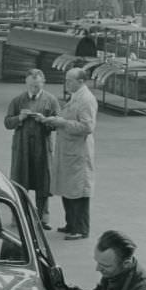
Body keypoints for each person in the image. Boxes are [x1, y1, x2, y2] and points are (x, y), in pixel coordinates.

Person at [44, 67, 98, 240]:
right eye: (66, 80)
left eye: (70, 81)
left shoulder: (86, 100)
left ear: (81, 82)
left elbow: (87, 127)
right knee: (68, 188)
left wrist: (62, 122)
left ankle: (80, 229)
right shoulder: (75, 96)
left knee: (78, 191)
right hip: (68, 148)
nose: (66, 83)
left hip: (78, 151)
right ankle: (71, 224)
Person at [3, 69, 60, 228]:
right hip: (22, 148)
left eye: (37, 85)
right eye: (31, 85)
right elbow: (7, 123)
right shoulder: (18, 100)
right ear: (26, 84)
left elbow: (58, 123)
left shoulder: (51, 100)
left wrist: (46, 120)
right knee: (20, 181)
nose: (34, 88)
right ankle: (19, 217)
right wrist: (19, 118)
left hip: (42, 147)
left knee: (43, 182)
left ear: (43, 83)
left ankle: (42, 218)